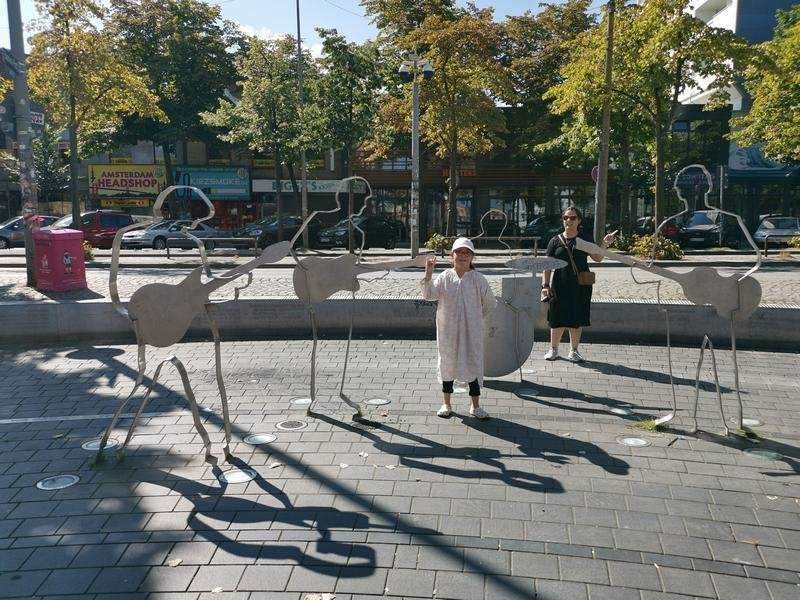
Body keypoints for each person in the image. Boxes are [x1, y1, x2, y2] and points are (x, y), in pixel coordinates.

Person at [422, 237, 497, 419]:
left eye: (467, 253)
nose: (463, 256)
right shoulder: (446, 277)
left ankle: (475, 406)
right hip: (448, 331)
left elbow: (490, 303)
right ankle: (446, 403)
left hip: (472, 332)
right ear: (452, 255)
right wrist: (429, 274)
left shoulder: (479, 279)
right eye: (459, 252)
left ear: (472, 257)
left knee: (472, 363)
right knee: (448, 364)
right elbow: (429, 295)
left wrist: (476, 318)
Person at [541, 207, 616, 362]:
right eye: (565, 217)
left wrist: (604, 244)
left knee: (576, 318)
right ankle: (553, 350)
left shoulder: (584, 239)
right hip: (559, 284)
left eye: (573, 218)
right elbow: (547, 266)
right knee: (556, 318)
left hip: (580, 285)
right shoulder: (554, 241)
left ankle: (573, 351)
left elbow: (597, 258)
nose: (568, 220)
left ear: (579, 220)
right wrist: (545, 286)